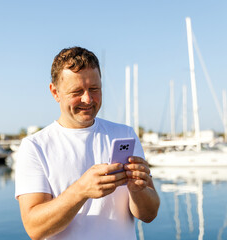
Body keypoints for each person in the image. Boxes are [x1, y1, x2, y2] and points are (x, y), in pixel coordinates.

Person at [15, 46, 160, 240]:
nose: (88, 99)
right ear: (55, 92)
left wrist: (138, 190)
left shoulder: (125, 134)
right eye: (77, 91)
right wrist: (81, 190)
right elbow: (35, 228)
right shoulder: (35, 147)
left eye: (94, 89)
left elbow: (149, 215)